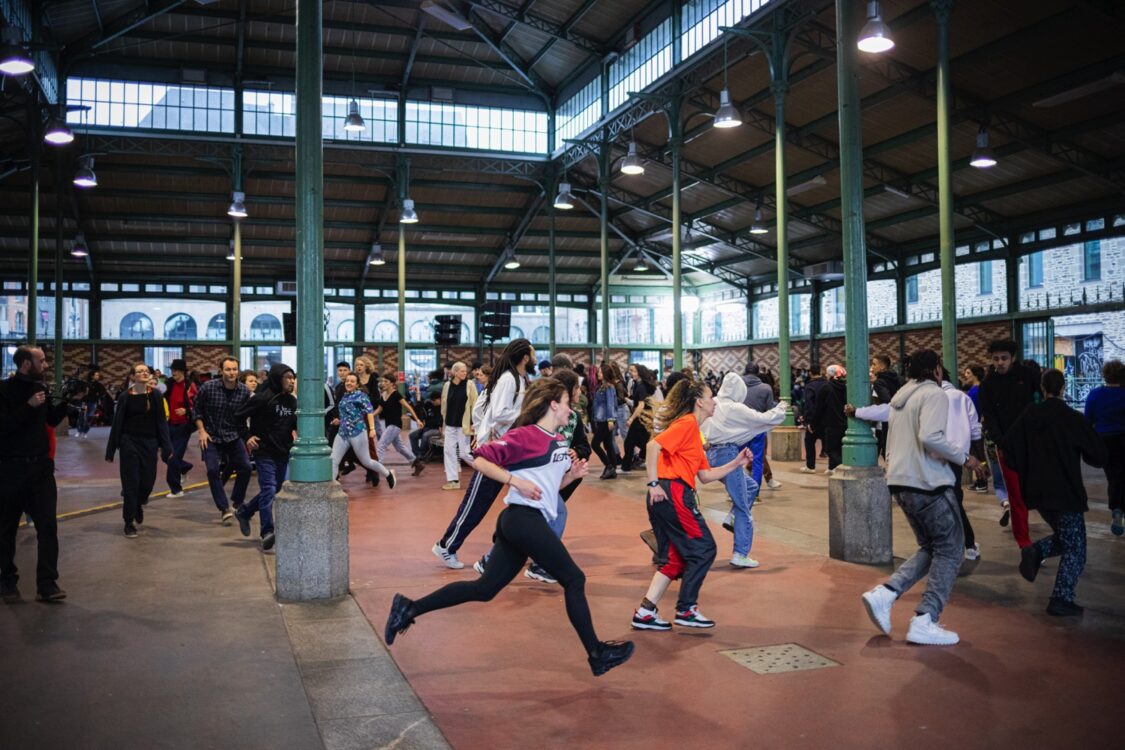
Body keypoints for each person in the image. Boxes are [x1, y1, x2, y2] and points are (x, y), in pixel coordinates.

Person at [384, 378, 634, 677]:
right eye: (568, 401)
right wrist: (516, 481)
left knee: (484, 589)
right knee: (574, 578)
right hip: (521, 519)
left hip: (526, 520)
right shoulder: (525, 436)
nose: (572, 407)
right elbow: (478, 458)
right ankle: (596, 653)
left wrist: (572, 476)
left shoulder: (556, 441)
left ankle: (408, 608)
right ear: (554, 404)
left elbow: (547, 489)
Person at [858, 350, 984, 646]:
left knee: (932, 546)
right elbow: (931, 437)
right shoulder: (934, 394)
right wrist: (966, 459)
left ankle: (885, 593)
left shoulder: (902, 397)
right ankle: (926, 618)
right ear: (937, 369)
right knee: (952, 549)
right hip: (929, 482)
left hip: (900, 482)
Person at [630, 379, 752, 632]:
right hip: (672, 493)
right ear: (699, 402)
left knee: (675, 558)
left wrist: (736, 463)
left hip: (672, 494)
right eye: (710, 397)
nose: (714, 401)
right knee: (704, 549)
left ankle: (645, 612)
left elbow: (705, 476)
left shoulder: (695, 433)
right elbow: (653, 446)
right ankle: (686, 609)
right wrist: (653, 484)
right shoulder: (686, 424)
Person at [851, 361, 983, 561]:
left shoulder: (922, 396)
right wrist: (972, 457)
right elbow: (975, 431)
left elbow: (890, 412)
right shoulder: (962, 397)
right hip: (957, 459)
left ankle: (945, 548)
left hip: (929, 459)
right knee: (953, 502)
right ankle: (966, 545)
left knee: (942, 505)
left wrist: (858, 411)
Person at [1004, 369, 1106, 617]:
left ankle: (1036, 551)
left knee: (1068, 538)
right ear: (1062, 388)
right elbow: (1098, 456)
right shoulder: (1071, 418)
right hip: (1065, 491)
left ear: (1043, 388)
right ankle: (1060, 598)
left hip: (1038, 493)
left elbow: (1008, 446)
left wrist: (1028, 470)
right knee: (1076, 548)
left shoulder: (1029, 415)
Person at [432, 339, 534, 570]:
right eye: (532, 352)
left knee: (517, 502)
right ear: (525, 357)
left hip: (508, 449)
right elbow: (498, 413)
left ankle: (505, 547)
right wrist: (526, 410)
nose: (535, 355)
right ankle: (447, 545)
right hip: (495, 451)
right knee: (476, 503)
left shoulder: (517, 379)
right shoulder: (509, 379)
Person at [0, 346, 69, 603]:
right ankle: (6, 578)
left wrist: (67, 405)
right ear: (26, 363)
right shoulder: (4, 390)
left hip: (40, 470)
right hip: (10, 470)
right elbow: (3, 427)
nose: (46, 365)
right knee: (6, 528)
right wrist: (28, 407)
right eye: (41, 360)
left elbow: (50, 420)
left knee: (48, 527)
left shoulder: (41, 389)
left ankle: (47, 583)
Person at [702, 373, 786, 568]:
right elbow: (763, 418)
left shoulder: (714, 403)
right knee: (743, 507)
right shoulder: (735, 407)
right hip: (728, 454)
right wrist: (781, 407)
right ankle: (740, 553)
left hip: (713, 455)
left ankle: (732, 517)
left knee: (751, 486)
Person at [977, 339, 1038, 547]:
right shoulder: (987, 384)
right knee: (1015, 495)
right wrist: (999, 440)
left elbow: (1039, 403)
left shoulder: (1029, 376)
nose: (1000, 363)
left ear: (1013, 358)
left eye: (1004, 358)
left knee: (1037, 489)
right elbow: (989, 416)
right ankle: (1024, 542)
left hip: (1031, 442)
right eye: (996, 359)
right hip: (1006, 446)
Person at [234, 363, 298, 550]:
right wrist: (247, 436)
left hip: (283, 452)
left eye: (293, 377)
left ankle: (245, 511)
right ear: (278, 379)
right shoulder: (262, 398)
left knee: (274, 491)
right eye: (288, 377)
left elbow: (294, 424)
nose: (292, 381)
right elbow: (238, 417)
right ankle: (267, 532)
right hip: (264, 452)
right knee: (269, 489)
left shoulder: (292, 401)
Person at [105, 363, 173, 538]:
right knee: (131, 483)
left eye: (146, 371)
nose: (144, 373)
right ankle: (128, 522)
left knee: (147, 483)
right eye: (139, 371)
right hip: (129, 442)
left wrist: (167, 446)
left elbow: (161, 423)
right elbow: (117, 423)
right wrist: (111, 449)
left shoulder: (156, 395)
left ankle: (138, 505)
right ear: (132, 377)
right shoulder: (125, 397)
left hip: (150, 443)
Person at [193, 356, 253, 525]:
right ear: (221, 371)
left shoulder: (243, 391)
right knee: (212, 470)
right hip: (210, 436)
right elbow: (196, 410)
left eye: (234, 369)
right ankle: (224, 508)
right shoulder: (208, 387)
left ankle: (236, 501)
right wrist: (201, 431)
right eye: (228, 369)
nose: (231, 372)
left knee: (246, 467)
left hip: (232, 435)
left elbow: (243, 417)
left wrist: (247, 436)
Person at [331, 373, 396, 488]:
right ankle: (331, 488)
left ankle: (388, 474)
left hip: (358, 432)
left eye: (352, 381)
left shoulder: (361, 396)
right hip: (343, 433)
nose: (349, 383)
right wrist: (339, 421)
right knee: (333, 460)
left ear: (357, 384)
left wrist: (372, 429)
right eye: (347, 381)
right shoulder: (345, 395)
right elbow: (348, 414)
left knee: (366, 461)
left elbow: (369, 412)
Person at [1084, 359, 1125, 535]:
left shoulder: (1095, 394)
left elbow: (1087, 420)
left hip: (1104, 441)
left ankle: (1116, 507)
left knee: (1113, 476)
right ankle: (1119, 508)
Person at [376, 374, 426, 476]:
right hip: (389, 424)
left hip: (395, 425)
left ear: (392, 384)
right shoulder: (383, 395)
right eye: (382, 381)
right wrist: (369, 416)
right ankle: (417, 463)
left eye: (386, 381)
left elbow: (408, 407)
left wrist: (417, 420)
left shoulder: (396, 395)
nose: (383, 383)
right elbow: (379, 409)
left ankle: (376, 470)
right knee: (400, 447)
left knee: (380, 446)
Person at [740, 363, 778, 494]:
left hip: (740, 428)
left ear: (745, 371)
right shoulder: (766, 388)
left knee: (737, 461)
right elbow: (770, 409)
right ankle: (754, 494)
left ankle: (735, 492)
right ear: (758, 373)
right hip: (758, 428)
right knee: (757, 460)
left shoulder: (738, 386)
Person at [163, 359, 197, 498]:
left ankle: (176, 489)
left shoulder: (190, 385)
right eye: (172, 370)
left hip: (184, 426)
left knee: (173, 457)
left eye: (176, 370)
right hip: (169, 424)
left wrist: (187, 411)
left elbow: (198, 404)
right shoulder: (169, 384)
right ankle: (185, 467)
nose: (173, 372)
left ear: (182, 371)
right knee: (165, 455)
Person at [440, 361, 476, 491]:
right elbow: (444, 406)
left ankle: (486, 470)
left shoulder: (470, 385)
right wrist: (443, 424)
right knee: (448, 451)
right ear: (455, 372)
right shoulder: (447, 385)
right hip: (450, 424)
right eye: (462, 371)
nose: (465, 373)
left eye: (465, 371)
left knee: (464, 453)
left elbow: (475, 404)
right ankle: (453, 480)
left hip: (463, 425)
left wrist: (473, 422)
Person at [590, 363, 623, 480]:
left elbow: (610, 404)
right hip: (601, 419)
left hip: (605, 420)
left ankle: (609, 466)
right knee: (608, 445)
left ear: (605, 374)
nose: (598, 373)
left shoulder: (609, 387)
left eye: (600, 372)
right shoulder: (603, 386)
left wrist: (610, 420)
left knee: (595, 444)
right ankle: (612, 469)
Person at [621, 364, 657, 470]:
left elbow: (641, 405)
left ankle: (627, 465)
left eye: (633, 371)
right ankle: (635, 461)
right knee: (640, 441)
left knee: (630, 442)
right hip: (643, 418)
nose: (631, 373)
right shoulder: (639, 384)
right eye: (631, 371)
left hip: (641, 418)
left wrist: (631, 419)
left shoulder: (641, 387)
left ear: (640, 373)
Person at [814, 365, 848, 474]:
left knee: (831, 448)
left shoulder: (826, 387)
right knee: (840, 447)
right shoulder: (846, 387)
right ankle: (831, 467)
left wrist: (813, 421)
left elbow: (819, 406)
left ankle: (837, 467)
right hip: (845, 422)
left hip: (831, 422)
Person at [960, 365, 990, 493]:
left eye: (968, 372)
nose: (965, 375)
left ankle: (982, 481)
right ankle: (979, 480)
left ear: (975, 375)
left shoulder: (975, 391)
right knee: (976, 455)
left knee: (979, 457)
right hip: (975, 426)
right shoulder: (975, 390)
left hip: (975, 428)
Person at [870, 354, 903, 460]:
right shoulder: (898, 378)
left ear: (882, 366)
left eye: (874, 364)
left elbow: (886, 400)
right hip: (901, 417)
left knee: (885, 449)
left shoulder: (879, 382)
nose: (872, 367)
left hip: (885, 420)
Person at [800, 364, 827, 474]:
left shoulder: (810, 386)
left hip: (814, 419)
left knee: (809, 441)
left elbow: (809, 405)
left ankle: (810, 466)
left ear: (810, 373)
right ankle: (832, 466)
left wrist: (808, 421)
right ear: (820, 371)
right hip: (826, 418)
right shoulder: (827, 383)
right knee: (827, 441)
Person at [409, 393, 443, 461]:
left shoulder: (442, 408)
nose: (434, 402)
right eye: (433, 401)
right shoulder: (429, 405)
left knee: (425, 435)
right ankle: (417, 453)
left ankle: (422, 453)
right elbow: (421, 409)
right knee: (412, 435)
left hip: (437, 429)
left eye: (436, 400)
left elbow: (439, 421)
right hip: (427, 427)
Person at [78, 369, 106, 437]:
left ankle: (85, 431)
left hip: (93, 402)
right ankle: (79, 431)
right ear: (92, 376)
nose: (98, 376)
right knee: (81, 416)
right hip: (84, 401)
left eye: (98, 375)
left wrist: (97, 396)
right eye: (96, 375)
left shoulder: (99, 385)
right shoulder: (85, 383)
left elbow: (103, 392)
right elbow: (80, 391)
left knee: (89, 417)